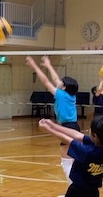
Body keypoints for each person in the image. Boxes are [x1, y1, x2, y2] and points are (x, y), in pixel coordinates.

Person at [26, 55, 79, 186]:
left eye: (62, 83)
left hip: (67, 127)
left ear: (64, 87)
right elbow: (56, 80)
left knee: (66, 161)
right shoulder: (71, 96)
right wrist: (48, 65)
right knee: (71, 160)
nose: (59, 82)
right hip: (73, 127)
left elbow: (46, 82)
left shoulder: (61, 94)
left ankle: (73, 191)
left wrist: (34, 66)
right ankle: (73, 190)